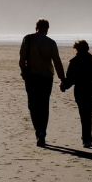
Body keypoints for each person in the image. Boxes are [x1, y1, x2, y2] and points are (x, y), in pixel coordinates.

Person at [19, 19, 65, 147]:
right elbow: (57, 62)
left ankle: (38, 131)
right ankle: (42, 132)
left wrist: (23, 71)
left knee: (32, 105)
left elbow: (22, 58)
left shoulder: (27, 39)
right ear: (47, 29)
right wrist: (62, 78)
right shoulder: (51, 43)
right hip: (46, 78)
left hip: (31, 77)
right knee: (44, 105)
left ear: (36, 28)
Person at [60, 40, 92, 148]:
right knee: (88, 114)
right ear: (87, 48)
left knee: (84, 115)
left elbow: (70, 79)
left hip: (80, 92)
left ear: (76, 49)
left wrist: (64, 86)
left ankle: (87, 139)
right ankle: (87, 138)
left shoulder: (74, 61)